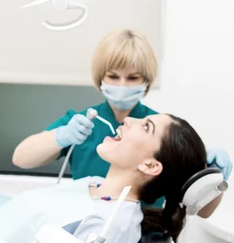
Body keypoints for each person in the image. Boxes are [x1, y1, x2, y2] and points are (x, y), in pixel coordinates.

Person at [12, 28, 231, 217]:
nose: (123, 84)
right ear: (100, 77)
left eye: (133, 78)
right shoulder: (81, 123)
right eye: (113, 76)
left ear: (146, 80)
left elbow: (203, 210)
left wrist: (213, 179)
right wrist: (60, 137)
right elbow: (21, 158)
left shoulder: (162, 135)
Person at [0, 114, 217, 243]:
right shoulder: (96, 185)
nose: (128, 120)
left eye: (145, 127)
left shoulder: (107, 228)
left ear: (151, 166)